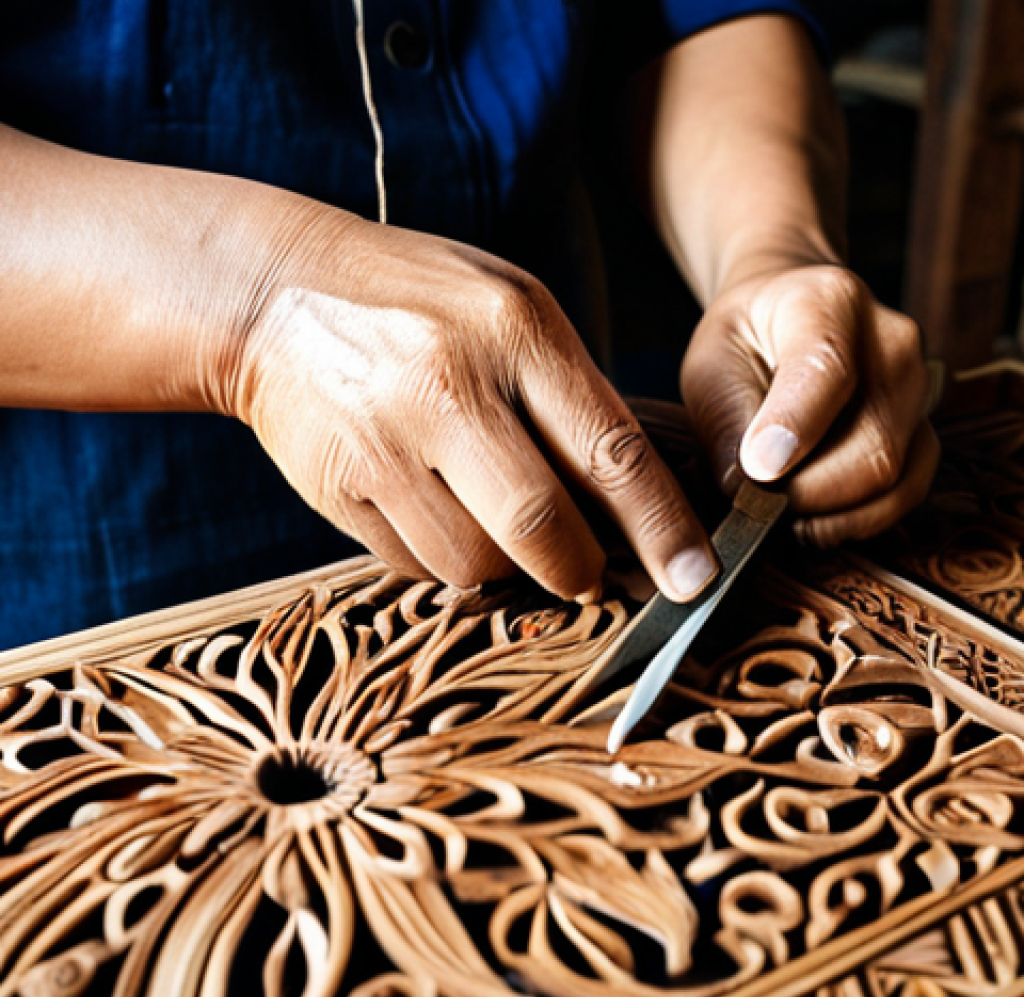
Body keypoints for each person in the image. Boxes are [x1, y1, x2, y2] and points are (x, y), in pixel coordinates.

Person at [0, 1, 938, 650]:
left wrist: (769, 246)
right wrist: (257, 309)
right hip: (103, 600)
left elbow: (690, 6)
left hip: (571, 530)